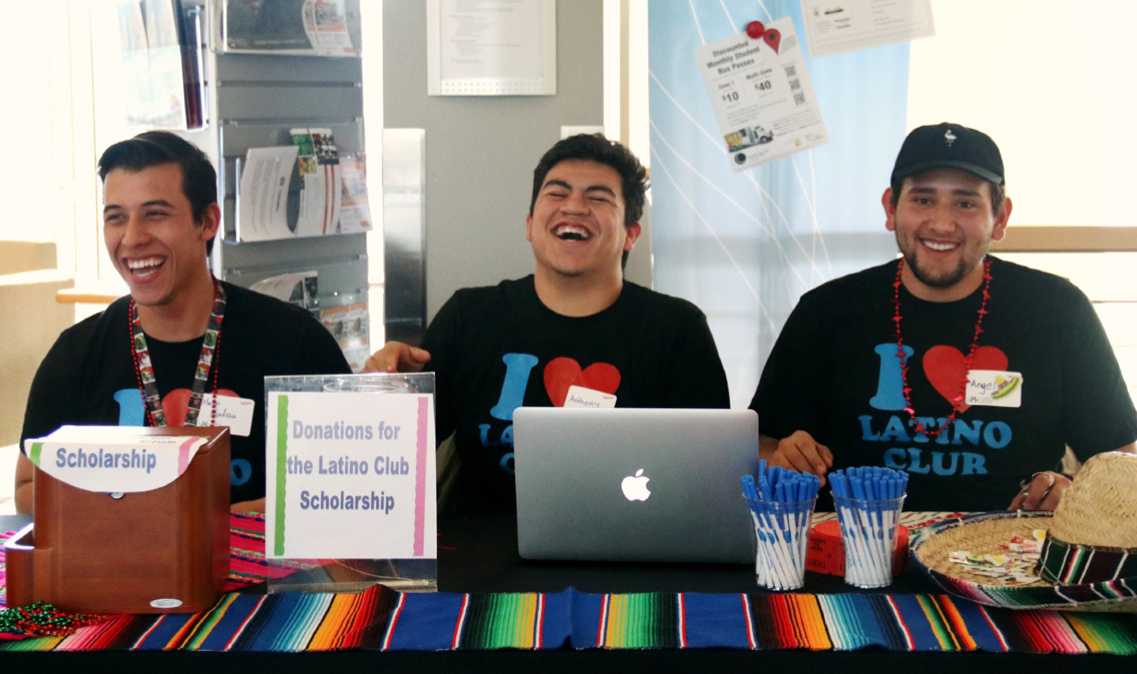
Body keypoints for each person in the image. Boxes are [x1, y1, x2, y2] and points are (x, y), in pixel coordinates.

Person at [751, 122, 1137, 512]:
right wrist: (782, 457)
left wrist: (1073, 489)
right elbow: (761, 446)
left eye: (965, 203)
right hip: (850, 553)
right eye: (922, 199)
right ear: (890, 208)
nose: (941, 223)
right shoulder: (826, 310)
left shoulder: (1058, 310)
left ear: (1000, 218)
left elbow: (1122, 459)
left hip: (1012, 556)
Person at [367, 134, 730, 511]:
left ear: (631, 235)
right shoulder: (470, 316)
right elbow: (394, 456)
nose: (574, 207)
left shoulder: (677, 329)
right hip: (479, 557)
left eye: (599, 197)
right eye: (557, 193)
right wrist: (389, 390)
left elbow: (709, 477)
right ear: (529, 224)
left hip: (631, 554)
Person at [16, 131, 350, 514]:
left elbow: (345, 487)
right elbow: (28, 485)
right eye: (116, 218)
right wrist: (143, 518)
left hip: (259, 573)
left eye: (155, 214)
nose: (132, 238)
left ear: (206, 222)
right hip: (120, 569)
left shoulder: (295, 343)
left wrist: (217, 525)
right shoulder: (76, 353)